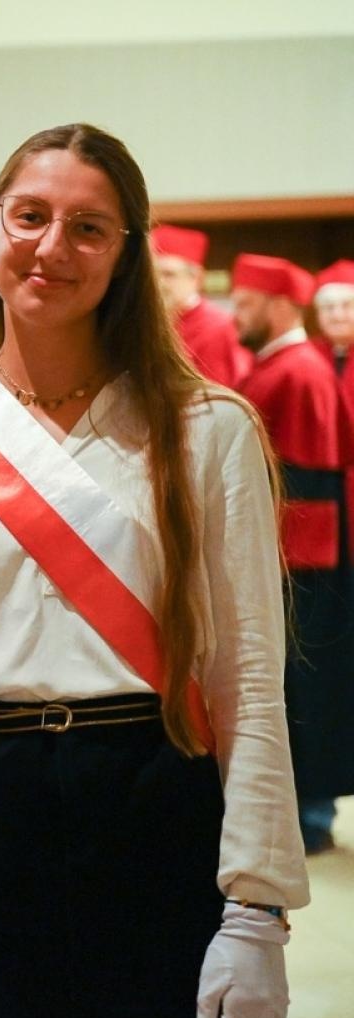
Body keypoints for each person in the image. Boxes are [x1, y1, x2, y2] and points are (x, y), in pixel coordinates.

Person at [0, 124, 309, 1018]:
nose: (52, 247)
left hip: (154, 811)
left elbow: (247, 682)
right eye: (30, 216)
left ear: (127, 255)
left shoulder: (207, 430)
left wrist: (256, 906)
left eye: (89, 227)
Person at [231, 251, 354, 856]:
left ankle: (310, 814)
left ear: (279, 306)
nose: (236, 314)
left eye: (246, 304)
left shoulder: (296, 371)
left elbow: (308, 478)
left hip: (299, 560)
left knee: (306, 686)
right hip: (292, 553)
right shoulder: (285, 364)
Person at [151, 224, 252, 387]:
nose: (159, 283)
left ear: (196, 278)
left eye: (168, 274)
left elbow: (215, 392)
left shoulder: (215, 327)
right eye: (154, 274)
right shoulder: (155, 320)